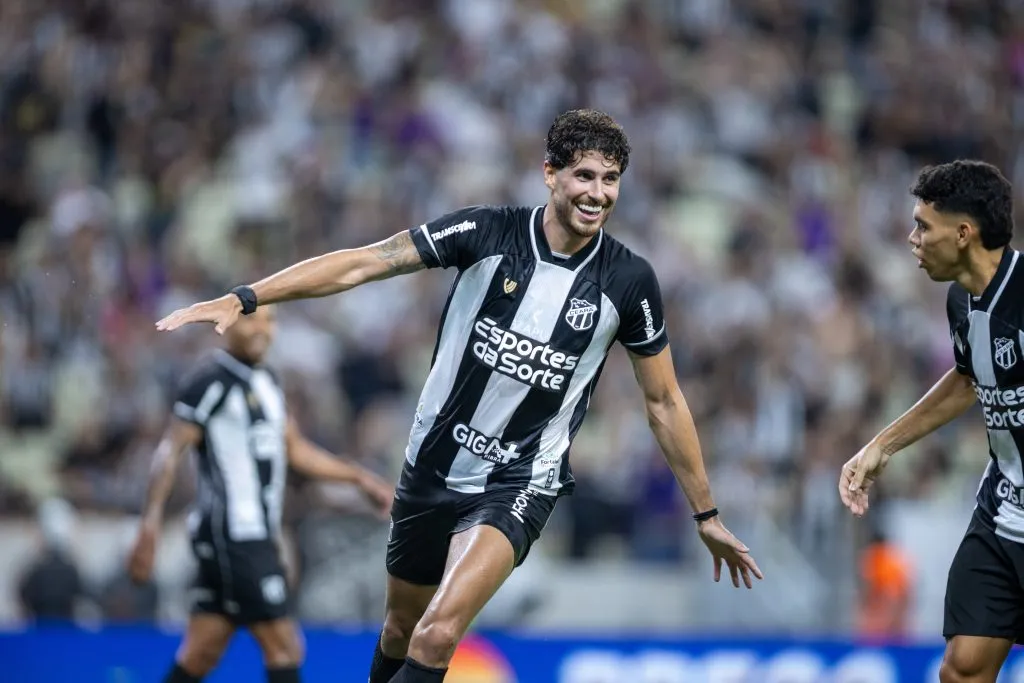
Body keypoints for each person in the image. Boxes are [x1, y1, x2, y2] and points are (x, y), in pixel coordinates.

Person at [157, 109, 763, 683]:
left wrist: (705, 514)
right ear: (549, 173)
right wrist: (247, 297)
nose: (597, 193)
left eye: (610, 180)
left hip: (521, 479)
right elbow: (367, 263)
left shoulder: (630, 283)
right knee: (400, 628)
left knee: (437, 635)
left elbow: (664, 402)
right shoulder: (487, 231)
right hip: (433, 466)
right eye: (583, 174)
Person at [128, 304, 394, 683]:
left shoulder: (267, 379)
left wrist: (358, 478)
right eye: (252, 319)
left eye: (270, 321)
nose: (262, 330)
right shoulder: (209, 381)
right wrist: (149, 524)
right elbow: (169, 453)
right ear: (228, 323)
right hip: (234, 534)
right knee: (285, 647)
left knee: (201, 651)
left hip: (249, 537)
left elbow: (296, 449)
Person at [839, 159, 1018, 683]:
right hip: (1003, 513)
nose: (912, 237)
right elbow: (966, 379)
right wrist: (883, 445)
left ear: (963, 233)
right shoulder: (961, 300)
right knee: (961, 670)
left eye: (923, 225)